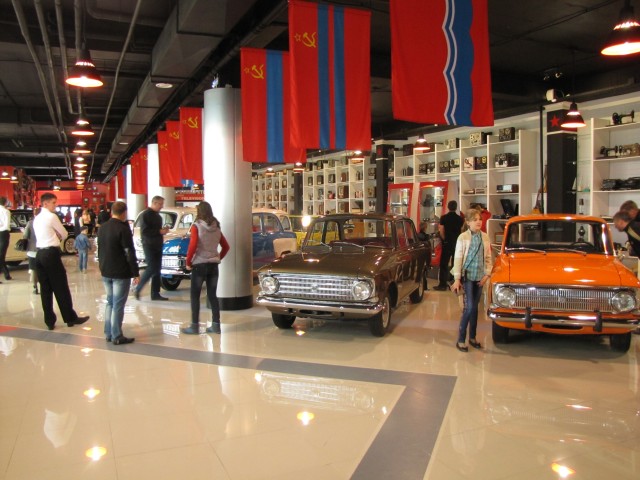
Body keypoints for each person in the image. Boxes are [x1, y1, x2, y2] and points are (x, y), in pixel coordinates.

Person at [33, 193, 89, 330]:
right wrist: (57, 236)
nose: (55, 205)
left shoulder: (37, 218)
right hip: (50, 253)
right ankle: (70, 318)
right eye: (53, 202)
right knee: (61, 287)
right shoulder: (51, 217)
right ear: (45, 203)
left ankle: (49, 321)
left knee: (45, 289)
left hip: (39, 254)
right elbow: (64, 233)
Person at [181, 201, 230, 335]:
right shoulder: (217, 227)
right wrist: (218, 257)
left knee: (195, 296)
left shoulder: (196, 226)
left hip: (199, 265)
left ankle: (194, 326)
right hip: (213, 265)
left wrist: (188, 262)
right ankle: (216, 325)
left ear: (199, 211)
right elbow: (226, 246)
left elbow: (192, 245)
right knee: (212, 296)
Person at [98, 201, 140, 345]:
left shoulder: (102, 228)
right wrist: (135, 272)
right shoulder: (123, 229)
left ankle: (108, 332)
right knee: (118, 304)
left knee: (110, 302)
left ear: (111, 212)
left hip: (106, 270)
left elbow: (100, 249)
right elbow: (129, 252)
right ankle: (117, 335)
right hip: (120, 271)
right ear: (124, 213)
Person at [451, 208, 492, 352]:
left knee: (475, 308)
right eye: (475, 220)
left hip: (480, 278)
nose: (478, 222)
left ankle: (472, 337)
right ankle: (461, 339)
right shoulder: (462, 237)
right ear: (468, 222)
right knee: (469, 308)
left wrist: (487, 275)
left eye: (480, 219)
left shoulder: (485, 237)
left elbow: (488, 258)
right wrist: (457, 279)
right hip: (467, 277)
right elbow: (458, 259)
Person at [134, 196, 169, 301]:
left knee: (157, 269)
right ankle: (138, 288)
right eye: (160, 204)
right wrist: (159, 231)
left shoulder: (158, 217)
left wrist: (162, 231)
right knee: (151, 267)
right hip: (149, 245)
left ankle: (155, 293)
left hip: (158, 245)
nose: (161, 206)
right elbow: (145, 231)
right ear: (154, 203)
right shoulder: (145, 215)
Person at [433, 200, 464, 291]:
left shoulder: (444, 218)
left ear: (448, 207)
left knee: (444, 264)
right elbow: (462, 230)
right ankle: (454, 283)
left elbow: (442, 230)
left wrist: (444, 239)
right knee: (456, 263)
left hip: (447, 243)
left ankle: (442, 284)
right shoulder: (460, 219)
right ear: (456, 207)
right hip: (457, 243)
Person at [23, 207, 41, 294]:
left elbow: (25, 236)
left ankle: (35, 287)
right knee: (43, 269)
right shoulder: (45, 223)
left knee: (33, 269)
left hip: (32, 250)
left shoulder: (30, 223)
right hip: (43, 249)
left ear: (34, 214)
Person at [0, 196, 12, 282]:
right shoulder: (6, 211)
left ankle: (6, 274)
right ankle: (6, 274)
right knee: (1, 255)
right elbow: (7, 225)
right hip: (3, 234)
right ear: (5, 203)